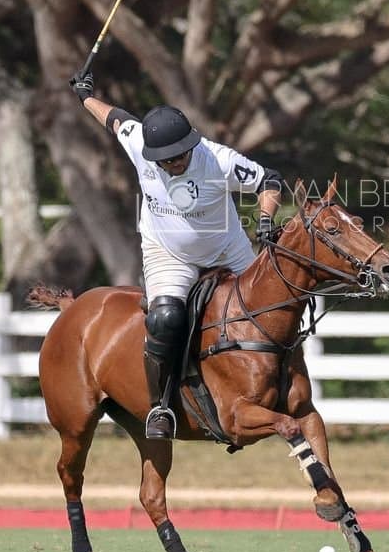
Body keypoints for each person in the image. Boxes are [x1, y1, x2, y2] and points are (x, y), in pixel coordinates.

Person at [68, 67, 282, 440]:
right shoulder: (139, 146)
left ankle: (287, 390)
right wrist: (86, 95)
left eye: (180, 155)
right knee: (165, 318)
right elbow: (116, 119)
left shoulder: (217, 160)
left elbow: (270, 180)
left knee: (272, 307)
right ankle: (161, 406)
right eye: (166, 159)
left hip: (227, 249)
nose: (174, 162)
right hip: (169, 254)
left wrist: (265, 218)